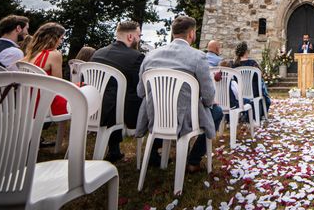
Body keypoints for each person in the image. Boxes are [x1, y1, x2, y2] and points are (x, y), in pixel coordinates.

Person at [136, 16, 223, 173]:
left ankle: (155, 151)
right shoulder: (197, 56)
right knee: (217, 112)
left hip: (155, 115)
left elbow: (140, 92)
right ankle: (193, 160)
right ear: (191, 34)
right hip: (185, 117)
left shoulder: (150, 56)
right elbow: (209, 96)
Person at [91, 21, 145, 163]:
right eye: (138, 36)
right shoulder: (136, 57)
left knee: (115, 96)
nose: (139, 39)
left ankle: (114, 150)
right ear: (130, 37)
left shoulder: (98, 53)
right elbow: (138, 88)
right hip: (119, 113)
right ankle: (153, 153)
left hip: (92, 107)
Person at [23, 22, 68, 115]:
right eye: (61, 38)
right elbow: (59, 85)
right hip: (45, 105)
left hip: (26, 103)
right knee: (84, 91)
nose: (61, 42)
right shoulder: (54, 54)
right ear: (53, 38)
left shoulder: (27, 57)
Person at [232, 41, 271, 118]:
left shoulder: (233, 64)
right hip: (253, 92)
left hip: (238, 92)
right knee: (261, 84)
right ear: (246, 51)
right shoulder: (252, 63)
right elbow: (260, 75)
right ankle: (260, 113)